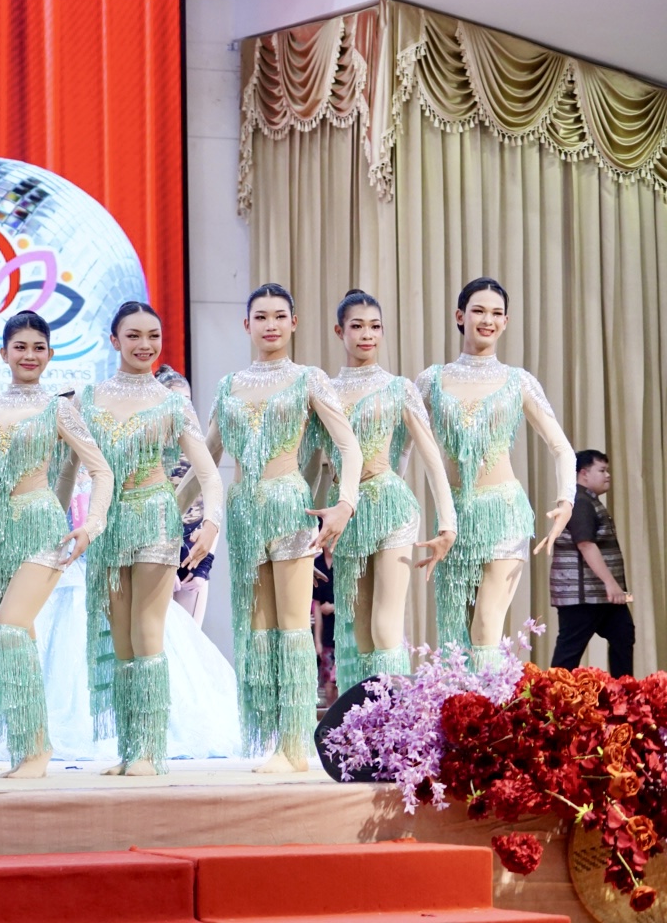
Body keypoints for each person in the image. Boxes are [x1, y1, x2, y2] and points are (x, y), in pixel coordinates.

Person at [196, 283, 362, 773]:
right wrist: (176, 512)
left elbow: (348, 447)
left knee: (292, 627)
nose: (271, 325)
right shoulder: (229, 385)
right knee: (260, 631)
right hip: (244, 513)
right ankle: (275, 741)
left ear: (294, 323)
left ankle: (295, 746)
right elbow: (208, 457)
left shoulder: (309, 378)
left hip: (290, 505)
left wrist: (345, 504)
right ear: (246, 324)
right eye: (261, 316)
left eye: (279, 316)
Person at [75, 302, 223, 775]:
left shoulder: (173, 402)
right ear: (114, 340)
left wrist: (211, 523)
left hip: (157, 517)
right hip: (107, 524)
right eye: (134, 335)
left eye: (153, 336)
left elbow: (208, 474)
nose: (145, 345)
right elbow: (69, 469)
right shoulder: (88, 398)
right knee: (121, 642)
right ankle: (129, 750)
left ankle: (150, 753)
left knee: (147, 633)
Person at [0, 311, 113, 779]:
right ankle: (26, 748)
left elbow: (101, 470)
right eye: (20, 347)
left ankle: (37, 752)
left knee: (11, 628)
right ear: (3, 353)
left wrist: (91, 525)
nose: (29, 355)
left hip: (42, 527)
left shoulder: (59, 408)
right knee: (11, 638)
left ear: (50, 354)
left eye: (38, 347)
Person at [419, 277, 575, 668]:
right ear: (460, 316)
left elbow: (562, 449)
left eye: (496, 313)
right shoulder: (432, 380)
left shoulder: (518, 381)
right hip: (453, 519)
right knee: (456, 637)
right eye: (478, 311)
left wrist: (566, 501)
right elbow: (402, 448)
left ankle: (487, 709)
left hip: (504, 513)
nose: (487, 320)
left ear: (505, 322)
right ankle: (462, 708)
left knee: (486, 629)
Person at [308, 290, 456, 688]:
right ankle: (361, 716)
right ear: (339, 331)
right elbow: (317, 465)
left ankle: (394, 716)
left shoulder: (399, 388)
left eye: (374, 326)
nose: (366, 335)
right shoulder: (323, 390)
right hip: (345, 513)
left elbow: (430, 457)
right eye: (357, 326)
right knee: (357, 631)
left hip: (391, 506)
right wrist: (310, 531)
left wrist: (448, 523)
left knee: (385, 626)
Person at [549, 450, 633, 677]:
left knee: (623, 634)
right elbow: (585, 544)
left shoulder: (588, 500)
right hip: (582, 595)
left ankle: (623, 693)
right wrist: (611, 583)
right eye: (602, 470)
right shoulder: (580, 502)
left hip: (599, 595)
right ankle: (551, 696)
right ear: (584, 474)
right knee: (568, 655)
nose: (608, 475)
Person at [157, 366, 212, 626]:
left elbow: (212, 510)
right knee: (157, 639)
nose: (181, 408)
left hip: (193, 556)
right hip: (154, 554)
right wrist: (162, 561)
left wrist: (204, 564)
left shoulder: (199, 447)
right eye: (173, 400)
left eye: (187, 401)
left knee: (191, 639)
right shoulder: (145, 449)